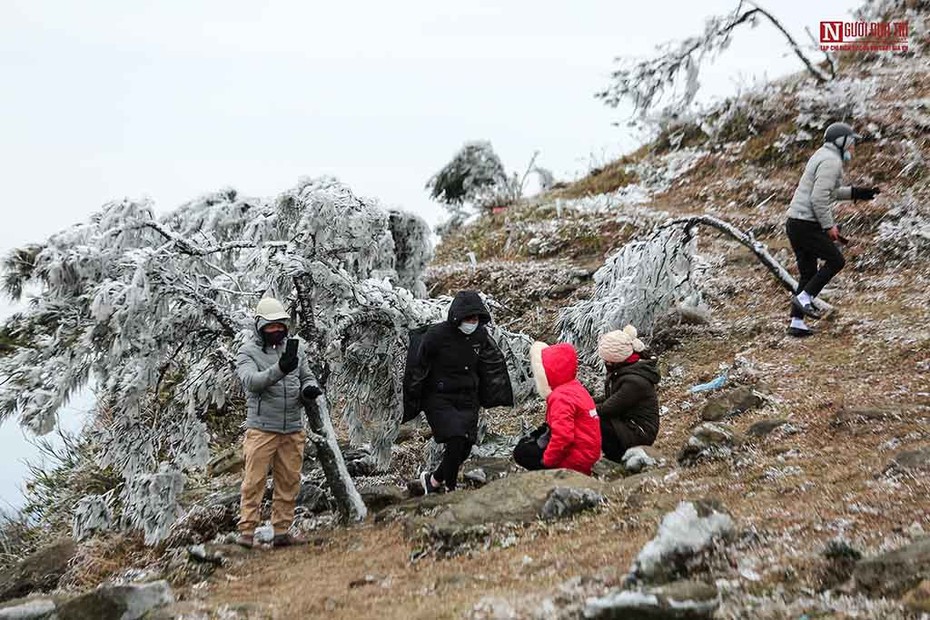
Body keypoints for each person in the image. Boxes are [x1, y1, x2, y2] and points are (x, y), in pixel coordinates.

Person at [403, 291, 514, 494]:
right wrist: (414, 397)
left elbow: (491, 364)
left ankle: (434, 481)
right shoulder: (436, 336)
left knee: (465, 446)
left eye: (476, 318)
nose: (473, 322)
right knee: (455, 438)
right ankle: (451, 489)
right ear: (458, 316)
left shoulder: (480, 336)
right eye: (469, 318)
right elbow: (418, 367)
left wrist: (493, 393)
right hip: (439, 396)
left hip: (468, 398)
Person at [234, 297, 322, 548]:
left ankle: (282, 532)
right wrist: (280, 370)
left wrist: (309, 389)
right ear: (260, 327)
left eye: (280, 325)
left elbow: (306, 375)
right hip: (261, 429)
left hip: (292, 427)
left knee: (289, 481)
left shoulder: (296, 348)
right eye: (270, 326)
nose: (276, 330)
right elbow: (251, 382)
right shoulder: (247, 352)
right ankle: (247, 533)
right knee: (254, 482)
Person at [785, 121, 880, 337]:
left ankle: (796, 323)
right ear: (842, 142)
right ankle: (803, 299)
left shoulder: (822, 156)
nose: (853, 148)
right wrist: (829, 227)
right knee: (836, 261)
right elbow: (819, 198)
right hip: (806, 224)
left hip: (796, 222)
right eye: (852, 143)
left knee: (808, 272)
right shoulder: (831, 161)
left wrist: (857, 193)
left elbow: (829, 192)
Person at [513, 341, 601, 475]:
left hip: (576, 460)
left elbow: (564, 437)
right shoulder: (575, 388)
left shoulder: (560, 397)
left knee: (522, 452)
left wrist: (547, 460)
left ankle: (549, 476)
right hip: (588, 452)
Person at [595, 326, 660, 463]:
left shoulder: (634, 382)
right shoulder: (623, 370)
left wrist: (582, 407)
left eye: (607, 360)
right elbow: (611, 397)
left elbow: (608, 408)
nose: (606, 363)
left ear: (617, 358)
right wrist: (584, 400)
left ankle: (616, 458)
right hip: (628, 423)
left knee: (596, 420)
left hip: (639, 432)